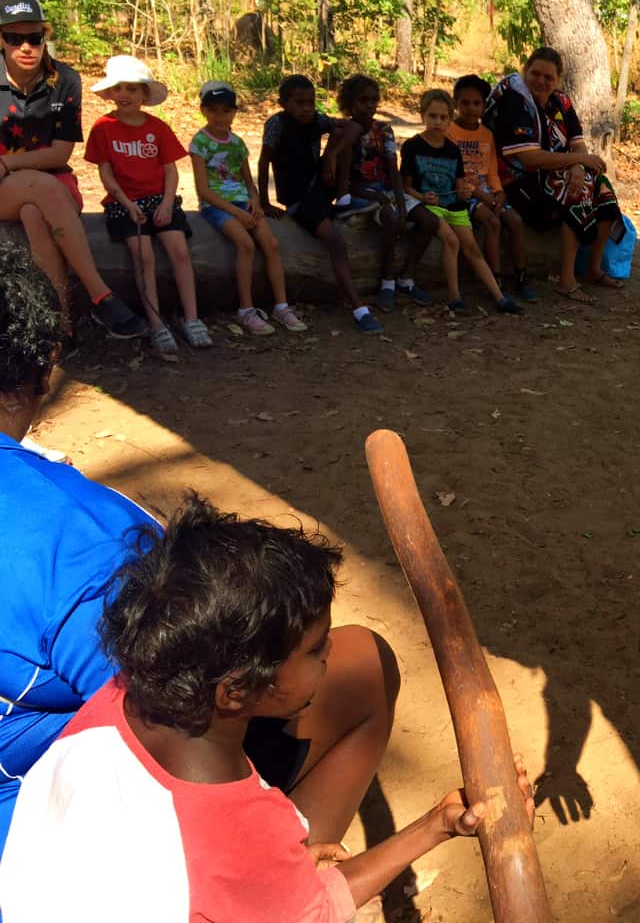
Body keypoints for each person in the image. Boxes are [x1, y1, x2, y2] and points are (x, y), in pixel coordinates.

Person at [0, 240, 403, 867]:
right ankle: (284, 877)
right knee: (367, 663)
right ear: (43, 367)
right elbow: (168, 729)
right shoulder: (84, 538)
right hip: (47, 857)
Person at [0, 494, 535, 921]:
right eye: (316, 651)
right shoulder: (241, 833)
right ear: (236, 690)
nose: (329, 658)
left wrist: (438, 820)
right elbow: (316, 910)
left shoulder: (117, 702)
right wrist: (435, 829)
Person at [0, 0, 144, 339]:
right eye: (14, 38)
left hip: (49, 181)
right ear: (1, 39)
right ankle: (100, 294)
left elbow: (60, 154)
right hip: (6, 187)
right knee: (42, 188)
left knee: (35, 212)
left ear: (45, 35)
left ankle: (59, 326)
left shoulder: (64, 80)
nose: (26, 47)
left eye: (35, 37)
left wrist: (5, 162)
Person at [85, 55, 210, 354]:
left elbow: (170, 170)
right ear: (109, 92)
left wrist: (167, 203)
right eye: (118, 88)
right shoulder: (103, 127)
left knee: (179, 251)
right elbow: (105, 173)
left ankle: (192, 318)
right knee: (143, 256)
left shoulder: (158, 127)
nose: (124, 95)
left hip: (159, 198)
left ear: (144, 94)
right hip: (123, 202)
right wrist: (127, 204)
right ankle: (155, 324)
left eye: (132, 88)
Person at [484, 46, 622, 304]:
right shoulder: (516, 101)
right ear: (525, 71)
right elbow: (529, 158)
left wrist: (578, 166)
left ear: (558, 79)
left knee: (602, 188)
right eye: (535, 74)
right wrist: (578, 162)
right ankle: (566, 280)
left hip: (551, 173)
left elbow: (577, 144)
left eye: (549, 77)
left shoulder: (562, 103)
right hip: (517, 179)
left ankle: (593, 268)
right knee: (574, 190)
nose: (541, 81)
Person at [258, 74, 384, 334]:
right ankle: (359, 309)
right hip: (298, 198)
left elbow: (354, 128)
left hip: (319, 183)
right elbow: (263, 162)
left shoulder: (316, 120)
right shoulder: (277, 125)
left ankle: (344, 199)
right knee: (336, 243)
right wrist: (264, 202)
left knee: (340, 133)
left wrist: (332, 157)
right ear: (283, 103)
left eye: (311, 102)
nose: (307, 108)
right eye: (299, 103)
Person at [190, 80, 305, 335]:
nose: (220, 116)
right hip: (216, 205)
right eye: (213, 110)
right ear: (203, 111)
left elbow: (247, 181)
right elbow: (203, 190)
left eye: (226, 111)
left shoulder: (237, 143)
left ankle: (281, 306)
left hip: (242, 201)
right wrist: (237, 213)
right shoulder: (200, 143)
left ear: (234, 112)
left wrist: (254, 200)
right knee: (246, 245)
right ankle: (246, 310)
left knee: (271, 244)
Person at [403, 89, 522, 316]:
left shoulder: (453, 150)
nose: (437, 122)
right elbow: (406, 186)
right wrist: (422, 198)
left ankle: (499, 297)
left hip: (453, 205)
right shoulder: (412, 146)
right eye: (432, 116)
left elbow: (459, 186)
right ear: (422, 115)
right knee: (451, 240)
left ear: (450, 119)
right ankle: (455, 298)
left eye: (443, 117)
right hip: (430, 206)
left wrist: (465, 193)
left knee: (473, 249)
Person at [337, 74, 438, 310]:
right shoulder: (343, 132)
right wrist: (378, 199)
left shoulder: (383, 130)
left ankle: (406, 278)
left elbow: (393, 170)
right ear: (349, 103)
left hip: (387, 190)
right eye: (363, 100)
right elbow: (343, 181)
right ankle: (387, 282)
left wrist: (402, 206)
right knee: (390, 219)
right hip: (361, 195)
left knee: (429, 222)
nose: (370, 105)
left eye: (374, 100)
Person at [448, 75, 532, 301]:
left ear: (484, 106)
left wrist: (499, 192)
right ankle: (495, 278)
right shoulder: (450, 132)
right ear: (456, 104)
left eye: (477, 103)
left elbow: (491, 170)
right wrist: (482, 196)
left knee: (515, 221)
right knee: (493, 222)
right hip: (464, 193)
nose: (471, 108)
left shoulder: (487, 134)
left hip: (487, 191)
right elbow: (453, 174)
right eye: (465, 102)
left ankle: (522, 275)